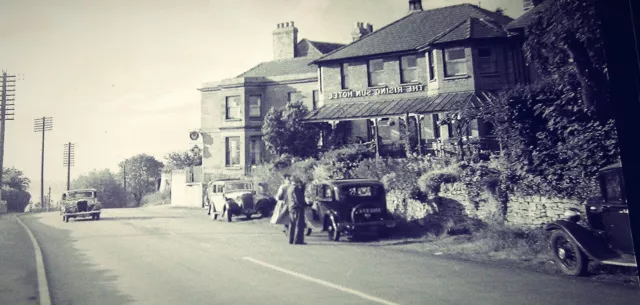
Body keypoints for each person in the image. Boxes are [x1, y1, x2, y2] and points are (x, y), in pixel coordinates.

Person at [286, 176, 307, 245]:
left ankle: (290, 239)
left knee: (292, 224)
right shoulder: (296, 188)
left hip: (291, 207)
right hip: (297, 207)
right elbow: (298, 198)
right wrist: (303, 204)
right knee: (299, 224)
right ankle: (298, 240)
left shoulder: (289, 187)